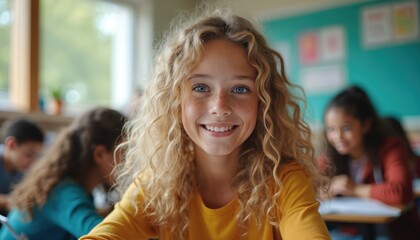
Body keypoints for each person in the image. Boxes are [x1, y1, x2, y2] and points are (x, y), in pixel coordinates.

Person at [81, 8, 330, 240]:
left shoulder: (285, 181)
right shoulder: (157, 184)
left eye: (240, 88)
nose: (219, 106)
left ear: (263, 102)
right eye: (200, 87)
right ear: (174, 100)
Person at [0, 107, 127, 240]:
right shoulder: (63, 192)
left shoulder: (79, 190)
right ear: (99, 154)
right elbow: (107, 236)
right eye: (123, 152)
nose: (129, 162)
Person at [320, 85, 419, 240]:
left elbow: (400, 192)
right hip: (350, 232)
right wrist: (327, 189)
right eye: (331, 129)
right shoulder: (331, 154)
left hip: (392, 233)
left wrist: (354, 189)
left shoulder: (390, 147)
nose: (338, 136)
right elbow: (308, 189)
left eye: (346, 128)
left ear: (366, 125)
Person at [0, 119, 44, 216]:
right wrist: (8, 201)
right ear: (11, 144)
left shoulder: (22, 170)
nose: (32, 162)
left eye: (36, 156)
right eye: (29, 155)